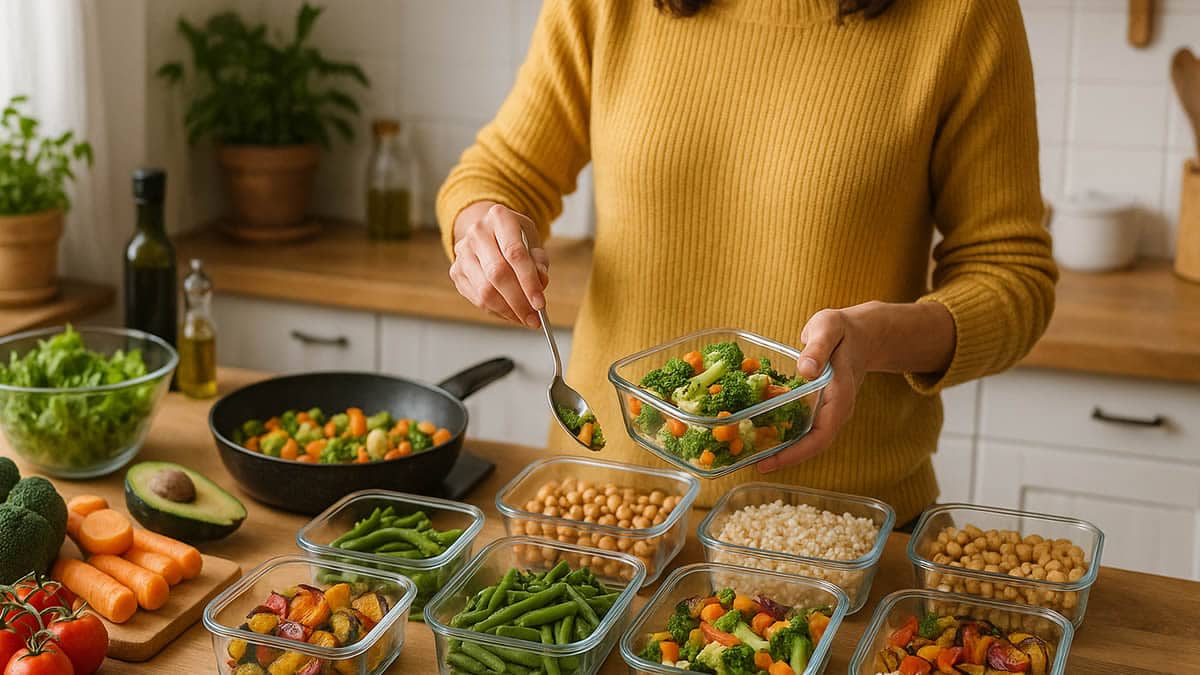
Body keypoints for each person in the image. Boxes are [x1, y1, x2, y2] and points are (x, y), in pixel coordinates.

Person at [437, 0, 1056, 526]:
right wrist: (482, 225)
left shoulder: (964, 15)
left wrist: (877, 339)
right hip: (610, 511)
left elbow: (1011, 273)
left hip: (836, 528)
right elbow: (503, 171)